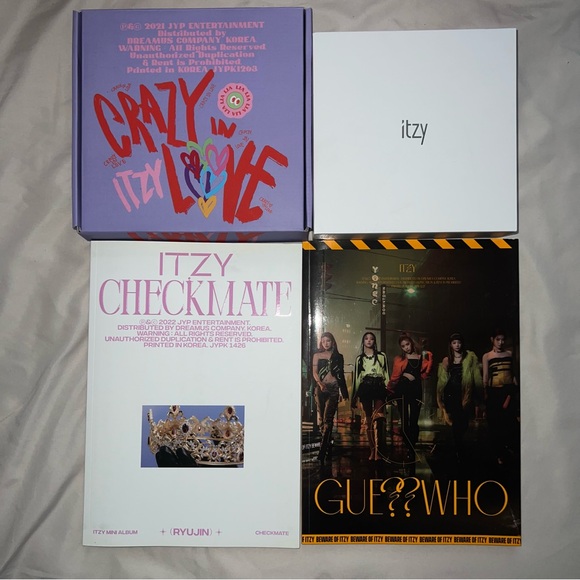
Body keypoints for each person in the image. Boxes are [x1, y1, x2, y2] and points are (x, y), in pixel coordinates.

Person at [437, 333, 483, 461]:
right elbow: (442, 380)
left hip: (465, 394)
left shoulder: (469, 358)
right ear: (450, 345)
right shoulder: (447, 360)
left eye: (459, 342)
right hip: (452, 394)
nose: (457, 345)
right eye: (454, 343)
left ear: (462, 344)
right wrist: (440, 396)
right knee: (456, 422)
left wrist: (479, 394)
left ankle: (459, 447)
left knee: (464, 423)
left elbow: (476, 377)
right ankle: (459, 450)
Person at [388, 333, 432, 459]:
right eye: (403, 346)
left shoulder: (420, 356)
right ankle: (409, 447)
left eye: (407, 344)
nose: (406, 347)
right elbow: (395, 377)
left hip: (416, 390)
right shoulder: (399, 359)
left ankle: (412, 446)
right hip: (402, 389)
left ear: (411, 343)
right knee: (404, 420)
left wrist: (429, 357)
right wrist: (389, 390)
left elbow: (426, 373)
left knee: (414, 420)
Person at [482, 329, 519, 465]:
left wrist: (515, 389)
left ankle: (510, 450)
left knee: (509, 421)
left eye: (503, 339)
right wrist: (486, 393)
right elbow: (486, 376)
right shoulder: (487, 356)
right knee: (495, 423)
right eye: (498, 339)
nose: (501, 342)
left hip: (508, 391)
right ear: (492, 339)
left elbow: (513, 373)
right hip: (494, 392)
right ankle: (499, 453)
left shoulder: (509, 354)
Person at [351, 332, 390, 460]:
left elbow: (386, 374)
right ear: (363, 341)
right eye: (366, 339)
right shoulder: (359, 359)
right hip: (366, 386)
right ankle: (372, 450)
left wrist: (390, 391)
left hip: (379, 385)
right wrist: (354, 396)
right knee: (368, 420)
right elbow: (357, 379)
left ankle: (379, 451)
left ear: (374, 341)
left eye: (371, 339)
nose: (369, 341)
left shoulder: (382, 356)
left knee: (378, 418)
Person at [312, 332, 348, 463]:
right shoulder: (317, 355)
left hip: (333, 388)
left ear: (332, 342)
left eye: (328, 341)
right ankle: (327, 446)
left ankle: (322, 452)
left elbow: (341, 374)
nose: (326, 343)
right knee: (322, 420)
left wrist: (344, 392)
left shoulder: (338, 356)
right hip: (320, 388)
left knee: (328, 419)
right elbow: (314, 372)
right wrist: (320, 384)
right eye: (323, 341)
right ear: (321, 343)